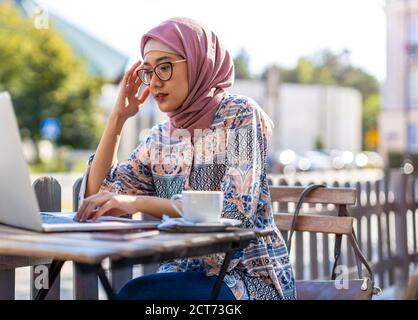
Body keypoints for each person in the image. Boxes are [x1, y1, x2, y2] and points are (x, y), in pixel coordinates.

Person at [75, 17, 296, 300]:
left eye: (164, 67)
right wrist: (118, 118)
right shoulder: (160, 138)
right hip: (182, 276)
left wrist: (139, 202)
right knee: (136, 294)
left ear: (197, 62)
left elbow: (234, 211)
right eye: (148, 71)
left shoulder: (240, 115)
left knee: (137, 296)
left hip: (250, 282)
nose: (154, 82)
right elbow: (99, 197)